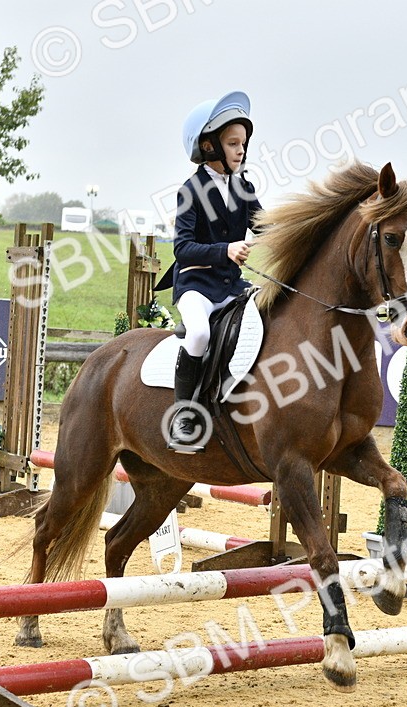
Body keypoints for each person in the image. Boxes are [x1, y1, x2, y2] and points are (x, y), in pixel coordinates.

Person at [155, 91, 263, 453]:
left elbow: (265, 226)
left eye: (243, 143)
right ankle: (183, 416)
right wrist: (226, 250)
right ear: (209, 145)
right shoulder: (191, 191)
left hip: (232, 286)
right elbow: (182, 248)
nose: (241, 150)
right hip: (196, 286)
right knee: (200, 333)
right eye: (233, 143)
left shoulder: (244, 188)